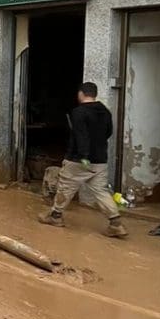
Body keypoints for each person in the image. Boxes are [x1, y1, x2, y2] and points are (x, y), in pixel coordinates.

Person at [39, 82, 127, 238]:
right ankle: (115, 223)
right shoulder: (105, 111)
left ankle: (55, 216)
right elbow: (108, 132)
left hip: (79, 160)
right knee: (100, 191)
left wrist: (84, 155)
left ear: (81, 93)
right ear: (94, 94)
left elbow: (81, 135)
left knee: (65, 186)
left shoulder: (79, 112)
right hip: (100, 160)